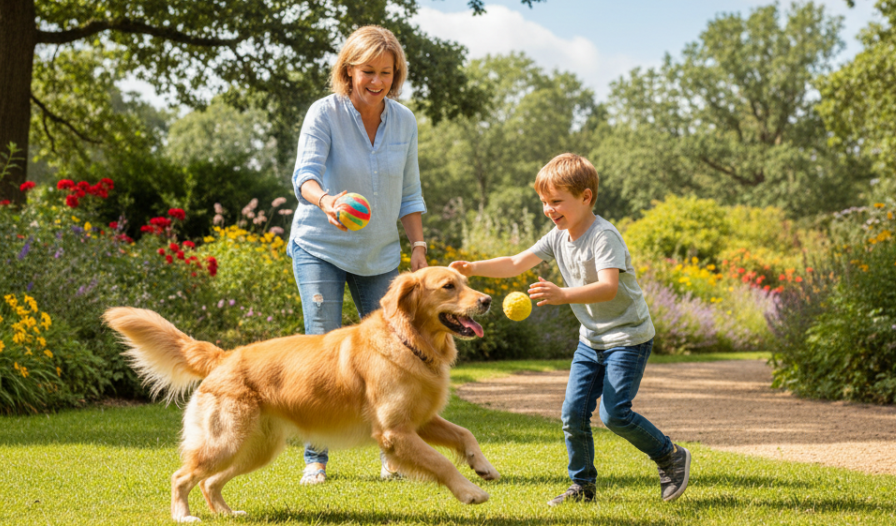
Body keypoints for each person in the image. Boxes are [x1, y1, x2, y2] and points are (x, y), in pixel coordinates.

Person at [449, 153, 690, 505]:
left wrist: (562, 295)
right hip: (591, 341)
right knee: (572, 414)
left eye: (557, 201)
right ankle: (583, 487)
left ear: (586, 197)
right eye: (545, 202)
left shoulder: (604, 237)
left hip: (627, 338)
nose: (549, 209)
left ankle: (670, 455)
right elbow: (517, 262)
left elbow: (608, 286)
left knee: (614, 413)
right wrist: (473, 267)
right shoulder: (557, 237)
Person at [288, 25, 428, 486]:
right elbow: (304, 176)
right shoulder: (324, 114)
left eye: (387, 72)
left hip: (380, 255)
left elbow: (410, 193)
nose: (377, 80)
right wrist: (326, 201)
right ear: (348, 70)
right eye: (368, 70)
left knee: (395, 354)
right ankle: (316, 459)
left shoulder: (404, 121)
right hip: (319, 247)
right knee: (323, 350)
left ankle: (393, 451)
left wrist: (419, 248)